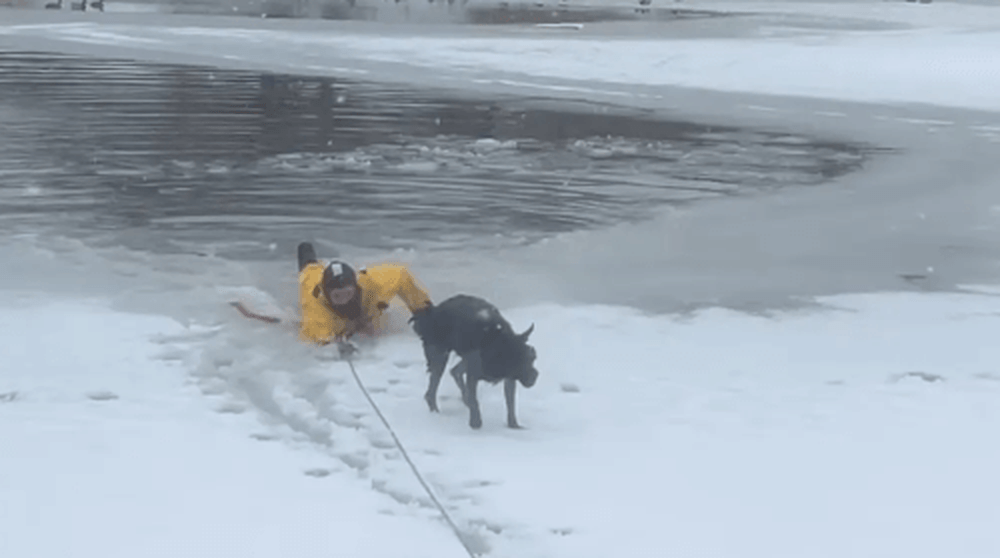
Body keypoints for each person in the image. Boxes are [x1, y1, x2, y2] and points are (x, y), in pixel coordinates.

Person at [296, 242, 434, 353]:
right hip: (313, 281)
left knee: (372, 326)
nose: (344, 300)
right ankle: (305, 249)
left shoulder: (374, 285)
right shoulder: (316, 311)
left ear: (356, 288)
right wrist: (338, 346)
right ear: (327, 294)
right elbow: (319, 343)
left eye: (348, 293)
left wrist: (424, 311)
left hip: (363, 302)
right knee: (309, 270)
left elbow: (401, 276)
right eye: (337, 296)